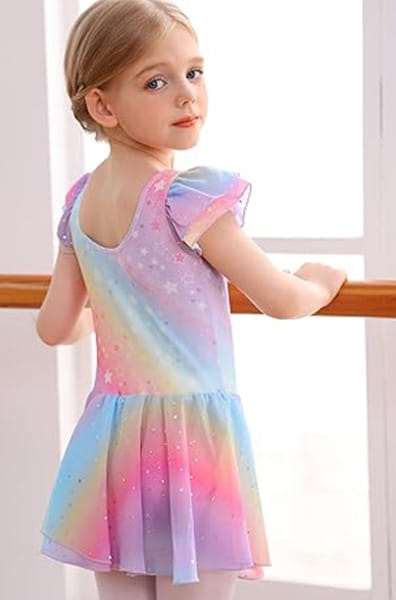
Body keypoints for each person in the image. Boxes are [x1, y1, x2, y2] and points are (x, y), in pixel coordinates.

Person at [36, 1, 347, 598]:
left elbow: (56, 326)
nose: (187, 94)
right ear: (103, 106)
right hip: (193, 442)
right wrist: (320, 280)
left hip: (112, 445)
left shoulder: (81, 202)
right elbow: (281, 299)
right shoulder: (184, 198)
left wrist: (117, 308)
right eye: (156, 82)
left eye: (194, 72)